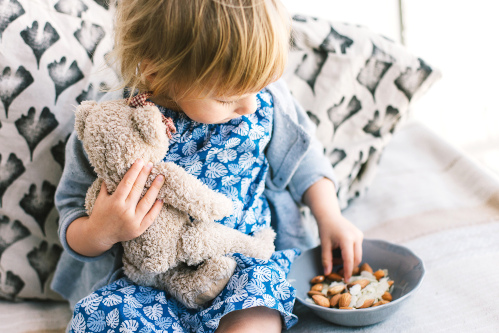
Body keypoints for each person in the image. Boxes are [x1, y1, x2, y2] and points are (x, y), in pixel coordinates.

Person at [51, 0, 364, 332]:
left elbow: (305, 158)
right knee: (104, 315)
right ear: (157, 74)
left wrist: (329, 215)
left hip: (241, 264)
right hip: (143, 282)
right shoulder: (112, 125)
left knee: (256, 309)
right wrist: (100, 231)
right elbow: (71, 209)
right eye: (228, 98)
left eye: (259, 86)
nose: (250, 105)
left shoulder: (264, 98)